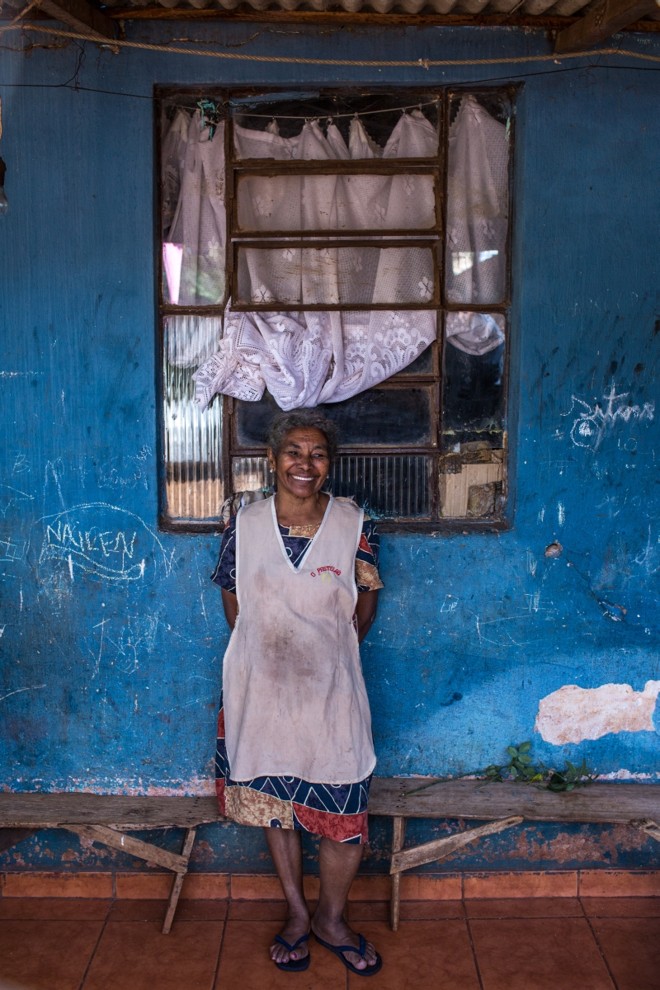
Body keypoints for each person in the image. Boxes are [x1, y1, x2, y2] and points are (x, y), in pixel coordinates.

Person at [212, 409, 383, 976]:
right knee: (277, 807)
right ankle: (296, 913)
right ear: (272, 458)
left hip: (332, 687)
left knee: (343, 808)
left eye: (317, 454)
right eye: (293, 452)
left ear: (329, 464)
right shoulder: (244, 520)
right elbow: (232, 592)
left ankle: (332, 919)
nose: (304, 464)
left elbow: (366, 596)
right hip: (260, 686)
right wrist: (260, 644)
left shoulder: (355, 521)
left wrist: (331, 649)